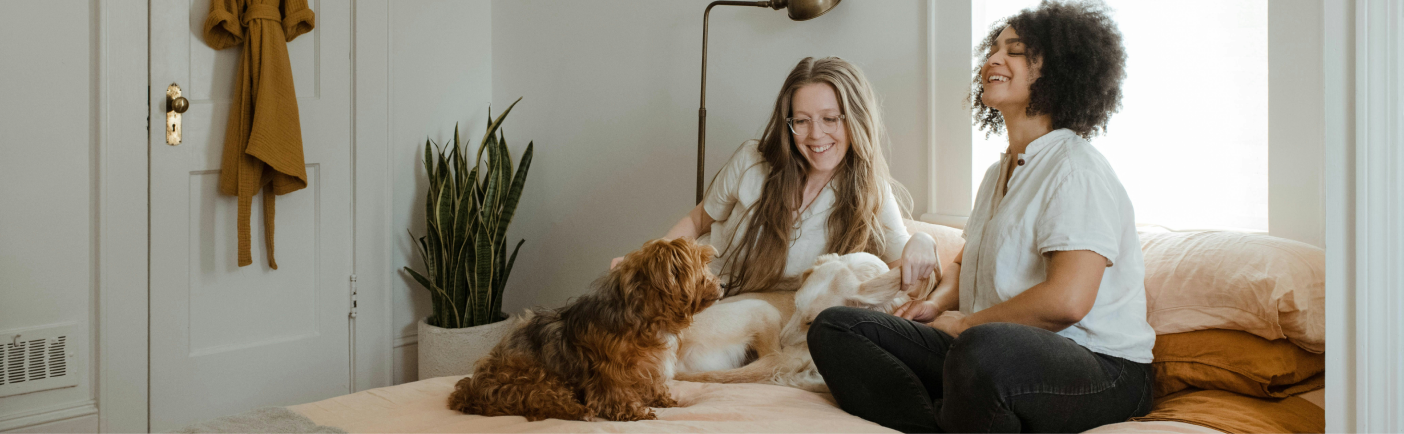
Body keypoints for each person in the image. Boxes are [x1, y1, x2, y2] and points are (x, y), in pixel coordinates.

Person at [806, 2, 1156, 433]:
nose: (992, 59)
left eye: (1014, 50)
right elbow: (962, 263)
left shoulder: (1075, 168)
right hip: (986, 349)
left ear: (1056, 69)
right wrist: (935, 305)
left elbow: (1068, 299)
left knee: (980, 349)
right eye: (993, 48)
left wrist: (967, 324)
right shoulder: (999, 172)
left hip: (1101, 368)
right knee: (837, 328)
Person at [614, 56, 939, 299]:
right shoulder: (751, 160)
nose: (816, 135)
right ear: (788, 123)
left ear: (855, 119)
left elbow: (902, 267)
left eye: (830, 119)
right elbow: (698, 220)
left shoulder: (870, 190)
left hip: (768, 318)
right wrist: (645, 264)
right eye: (801, 121)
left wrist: (924, 241)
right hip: (701, 294)